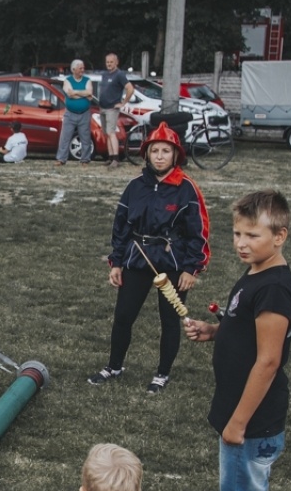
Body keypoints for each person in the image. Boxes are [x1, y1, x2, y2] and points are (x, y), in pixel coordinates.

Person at [182, 190, 291, 491]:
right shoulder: (256, 273)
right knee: (252, 490)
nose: (241, 243)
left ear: (280, 236)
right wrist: (214, 331)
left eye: (252, 234)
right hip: (245, 413)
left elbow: (268, 361)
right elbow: (243, 330)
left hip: (251, 418)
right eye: (236, 233)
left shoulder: (274, 289)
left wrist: (238, 422)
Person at [88, 123, 211, 392]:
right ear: (147, 154)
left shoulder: (187, 189)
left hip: (173, 264)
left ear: (175, 155)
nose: (159, 156)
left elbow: (198, 231)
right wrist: (117, 262)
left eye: (165, 151)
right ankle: (114, 366)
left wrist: (192, 268)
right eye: (154, 150)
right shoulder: (135, 186)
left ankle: (162, 373)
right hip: (137, 259)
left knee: (169, 319)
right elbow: (121, 226)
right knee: (123, 315)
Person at [55, 59, 96, 165]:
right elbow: (70, 94)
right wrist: (84, 94)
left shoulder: (87, 80)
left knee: (85, 137)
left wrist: (76, 92)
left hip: (85, 113)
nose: (83, 70)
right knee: (65, 136)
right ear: (73, 69)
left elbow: (89, 92)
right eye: (80, 68)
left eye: (83, 67)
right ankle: (61, 159)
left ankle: (85, 159)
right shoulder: (67, 80)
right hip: (70, 113)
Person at [96, 53, 132, 166]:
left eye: (111, 62)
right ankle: (110, 157)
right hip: (102, 107)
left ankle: (116, 158)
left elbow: (130, 89)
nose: (109, 64)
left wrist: (123, 102)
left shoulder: (119, 75)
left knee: (111, 132)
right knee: (106, 133)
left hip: (112, 108)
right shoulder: (105, 75)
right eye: (107, 62)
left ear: (116, 62)